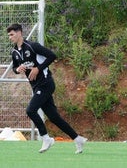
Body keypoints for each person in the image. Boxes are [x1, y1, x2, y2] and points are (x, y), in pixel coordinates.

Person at [7, 23, 87, 154]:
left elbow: (52, 56)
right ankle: (77, 139)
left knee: (30, 110)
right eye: (9, 35)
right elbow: (15, 68)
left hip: (46, 84)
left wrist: (38, 68)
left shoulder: (33, 46)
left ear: (19, 32)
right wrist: (18, 69)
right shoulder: (14, 52)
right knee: (54, 117)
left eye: (12, 34)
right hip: (36, 86)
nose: (10, 37)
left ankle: (46, 138)